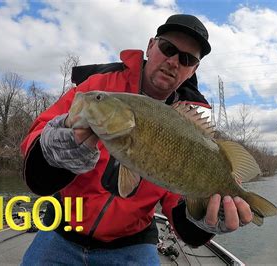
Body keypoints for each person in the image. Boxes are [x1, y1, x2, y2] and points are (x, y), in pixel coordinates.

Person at [20, 14, 253, 265]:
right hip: (63, 230)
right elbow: (35, 142)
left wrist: (205, 219)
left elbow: (180, 213)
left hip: (133, 243)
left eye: (186, 59)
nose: (173, 61)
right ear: (151, 46)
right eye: (167, 48)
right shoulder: (100, 87)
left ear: (193, 70)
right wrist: (54, 147)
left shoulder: (190, 123)